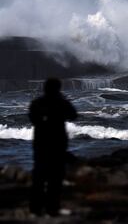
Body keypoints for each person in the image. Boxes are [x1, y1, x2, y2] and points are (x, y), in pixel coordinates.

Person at [28, 78, 77, 216]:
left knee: (39, 176)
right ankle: (52, 208)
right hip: (57, 145)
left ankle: (35, 208)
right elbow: (73, 116)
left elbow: (32, 119)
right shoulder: (61, 103)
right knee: (55, 178)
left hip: (41, 144)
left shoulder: (37, 103)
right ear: (58, 88)